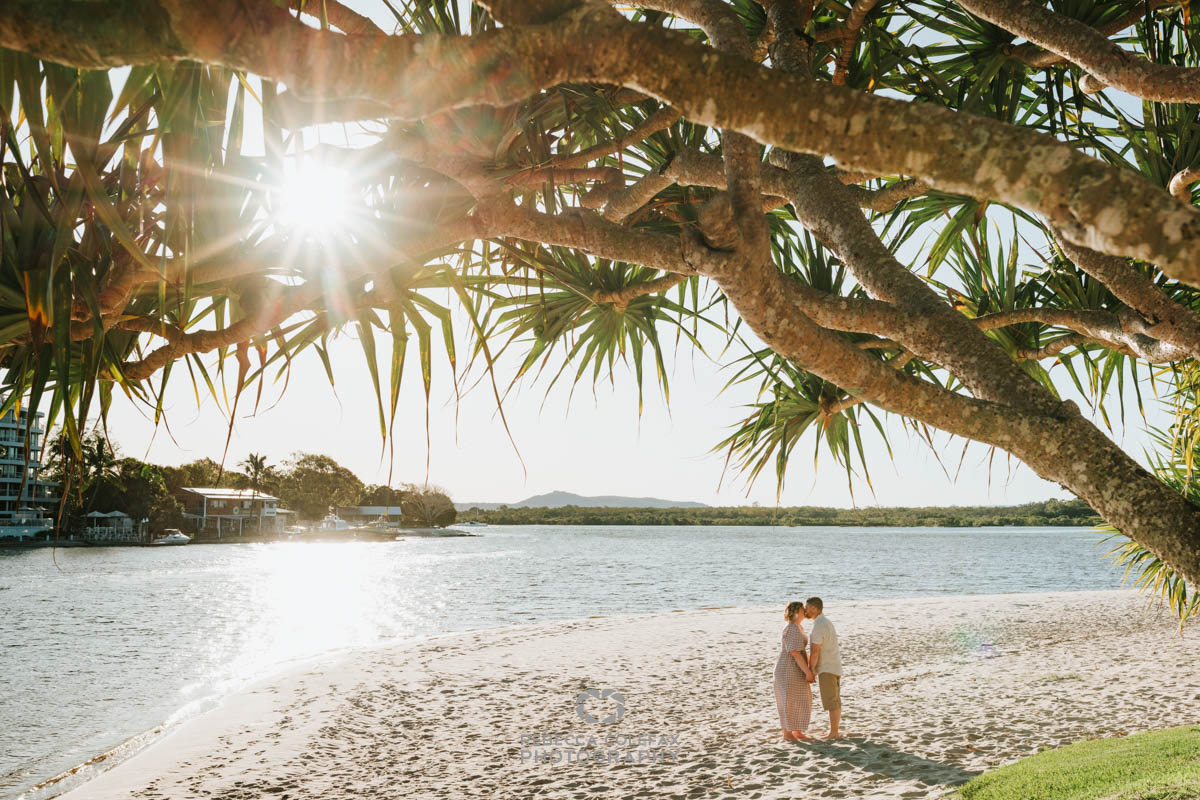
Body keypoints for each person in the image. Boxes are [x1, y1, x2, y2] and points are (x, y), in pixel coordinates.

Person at [773, 601, 816, 741]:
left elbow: (802, 651)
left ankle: (797, 731)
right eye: (803, 609)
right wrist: (808, 672)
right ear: (797, 612)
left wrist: (810, 667)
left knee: (801, 699)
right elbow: (795, 652)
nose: (805, 610)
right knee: (788, 701)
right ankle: (787, 733)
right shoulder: (792, 628)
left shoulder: (799, 627)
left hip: (797, 668)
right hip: (788, 669)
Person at [804, 597, 841, 739]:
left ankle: (834, 733)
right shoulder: (826, 622)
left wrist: (811, 668)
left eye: (807, 608)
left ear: (814, 608)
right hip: (834, 665)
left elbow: (815, 650)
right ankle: (834, 731)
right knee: (835, 700)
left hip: (827, 668)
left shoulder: (819, 624)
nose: (805, 611)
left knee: (831, 701)